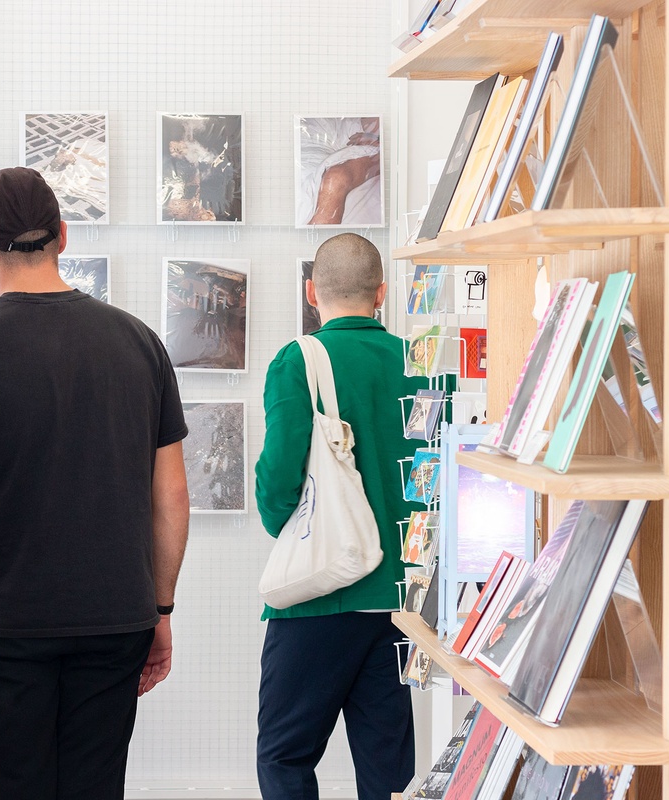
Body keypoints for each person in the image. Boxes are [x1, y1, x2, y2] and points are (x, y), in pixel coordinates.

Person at [0, 166, 191, 800]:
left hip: (2, 629)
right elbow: (169, 497)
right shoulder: (140, 345)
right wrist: (160, 610)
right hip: (116, 620)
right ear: (63, 236)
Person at [255, 233, 431, 800]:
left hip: (322, 593)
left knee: (285, 756)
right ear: (382, 293)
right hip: (399, 600)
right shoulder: (420, 363)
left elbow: (278, 480)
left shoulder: (298, 360)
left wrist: (287, 522)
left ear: (312, 293)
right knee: (389, 769)